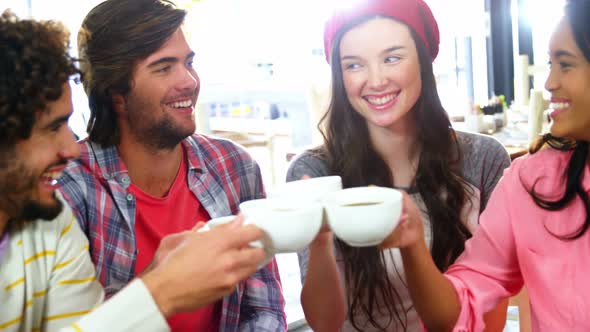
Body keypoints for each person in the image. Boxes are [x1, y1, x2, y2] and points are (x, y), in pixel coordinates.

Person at [0, 10, 267, 332]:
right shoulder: (66, 190)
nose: (190, 81)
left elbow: (263, 310)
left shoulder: (48, 223)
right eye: (164, 67)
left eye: (189, 63)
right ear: (115, 93)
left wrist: (157, 282)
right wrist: (160, 289)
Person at [286, 0, 511, 331]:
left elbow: (491, 318)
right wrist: (319, 242)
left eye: (392, 58)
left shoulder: (483, 160)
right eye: (353, 65)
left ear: (422, 60)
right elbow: (325, 323)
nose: (375, 81)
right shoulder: (316, 173)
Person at [381, 0, 590, 331]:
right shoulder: (532, 181)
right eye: (550, 64)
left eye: (565, 65)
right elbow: (457, 310)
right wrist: (412, 246)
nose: (549, 82)